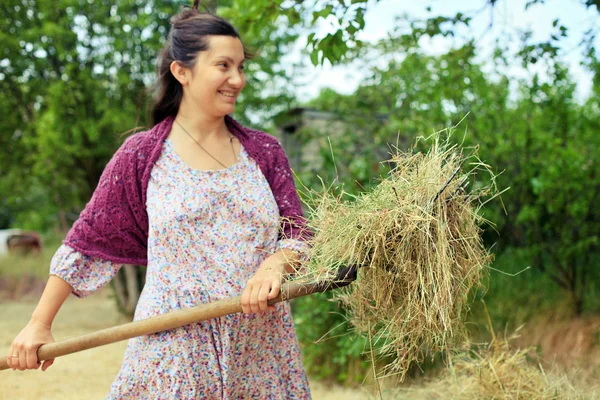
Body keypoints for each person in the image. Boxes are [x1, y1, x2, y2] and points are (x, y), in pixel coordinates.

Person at [6, 3, 312, 399]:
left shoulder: (265, 151)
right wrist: (38, 323)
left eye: (241, 67)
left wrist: (274, 266)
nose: (237, 79)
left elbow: (298, 232)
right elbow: (86, 244)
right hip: (173, 343)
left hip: (259, 345)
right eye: (223, 66)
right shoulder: (141, 156)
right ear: (181, 71)